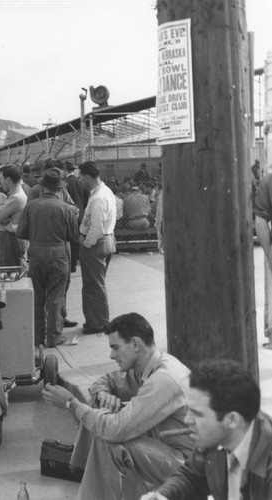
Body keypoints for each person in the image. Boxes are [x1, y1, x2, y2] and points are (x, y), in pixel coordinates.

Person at [42, 313, 193, 500]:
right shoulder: (150, 365)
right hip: (170, 453)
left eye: (116, 347)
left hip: (189, 469)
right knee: (100, 408)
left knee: (108, 437)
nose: (111, 355)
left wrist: (71, 403)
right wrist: (103, 394)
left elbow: (115, 430)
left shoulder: (163, 379)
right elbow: (106, 381)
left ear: (136, 344)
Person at [141, 359, 272, 500]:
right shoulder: (217, 439)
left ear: (232, 420)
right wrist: (163, 496)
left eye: (197, 413)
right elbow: (192, 476)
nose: (187, 420)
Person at [17, 168, 79, 348]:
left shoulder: (31, 205)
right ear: (59, 189)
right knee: (56, 297)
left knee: (37, 297)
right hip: (58, 254)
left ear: (43, 187)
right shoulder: (66, 208)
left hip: (36, 254)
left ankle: (37, 338)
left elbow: (21, 232)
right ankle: (54, 337)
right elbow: (73, 236)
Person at [78, 160, 117, 335]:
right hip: (107, 240)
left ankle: (99, 323)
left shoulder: (98, 197)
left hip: (96, 243)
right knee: (95, 284)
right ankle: (95, 320)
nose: (79, 180)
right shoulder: (104, 191)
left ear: (87, 176)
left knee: (94, 286)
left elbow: (97, 227)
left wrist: (86, 243)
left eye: (81, 177)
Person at [0, 164, 27, 266]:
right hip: (12, 238)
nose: (1, 182)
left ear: (8, 180)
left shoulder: (15, 198)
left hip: (11, 239)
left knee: (9, 271)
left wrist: (2, 217)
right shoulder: (15, 195)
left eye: (2, 179)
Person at [64, 161, 87, 272]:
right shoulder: (79, 181)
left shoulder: (65, 183)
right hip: (81, 213)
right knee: (77, 239)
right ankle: (77, 260)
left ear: (64, 170)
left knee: (71, 240)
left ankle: (72, 264)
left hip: (71, 214)